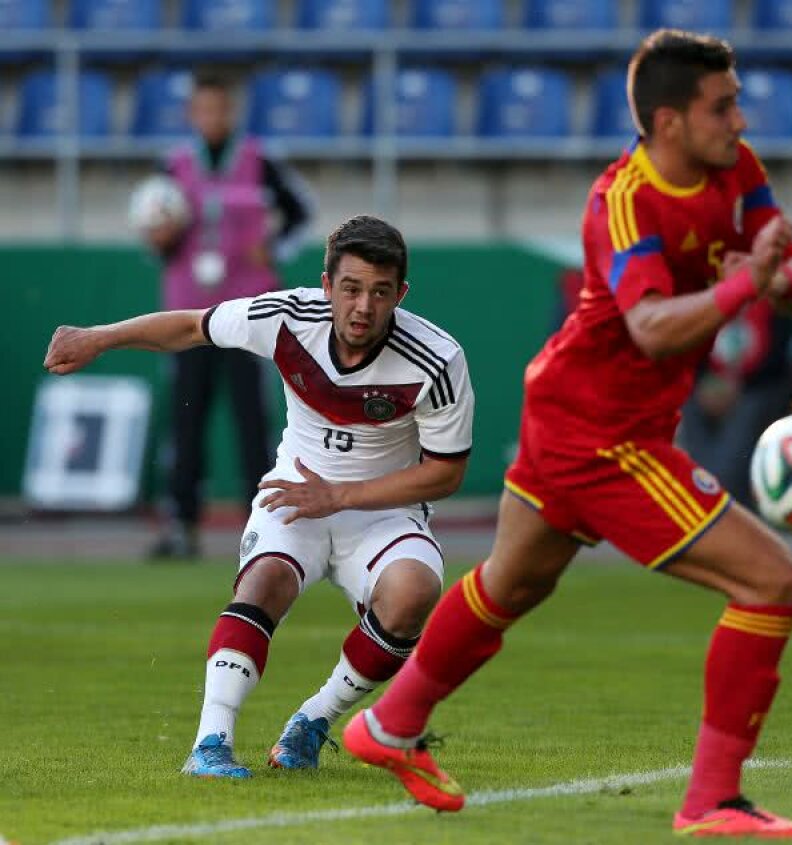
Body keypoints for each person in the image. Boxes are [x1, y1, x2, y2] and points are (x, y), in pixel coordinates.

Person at [340, 30, 792, 839]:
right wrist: (748, 280)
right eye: (723, 104)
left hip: (571, 413)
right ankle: (712, 801)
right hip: (603, 434)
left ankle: (387, 725)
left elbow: (790, 284)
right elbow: (656, 328)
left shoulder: (740, 169)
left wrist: (779, 275)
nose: (740, 118)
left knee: (509, 586)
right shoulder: (621, 200)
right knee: (771, 581)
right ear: (668, 121)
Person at [44, 215, 474, 778]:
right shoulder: (287, 318)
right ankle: (210, 743)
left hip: (381, 511)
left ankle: (313, 722)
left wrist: (341, 495)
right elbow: (192, 326)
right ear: (326, 284)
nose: (363, 306)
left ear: (402, 293)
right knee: (264, 580)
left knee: (415, 593)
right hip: (295, 495)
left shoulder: (436, 361)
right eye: (350, 288)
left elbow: (445, 474)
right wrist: (101, 337)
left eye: (380, 292)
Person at [143, 71, 315, 559]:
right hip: (188, 312)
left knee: (252, 420)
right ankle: (181, 525)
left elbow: (302, 210)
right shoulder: (173, 165)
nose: (212, 119)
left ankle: (260, 527)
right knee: (186, 419)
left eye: (220, 109)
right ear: (192, 114)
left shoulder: (260, 160)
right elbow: (154, 224)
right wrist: (158, 239)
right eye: (203, 110)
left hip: (249, 310)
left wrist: (276, 245)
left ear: (231, 112)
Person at [680, 297, 792, 507]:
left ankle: (718, 497)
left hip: (754, 389)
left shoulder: (776, 300)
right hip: (707, 386)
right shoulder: (702, 293)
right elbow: (686, 345)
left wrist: (737, 386)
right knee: (685, 398)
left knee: (751, 410)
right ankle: (702, 493)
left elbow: (777, 361)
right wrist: (705, 383)